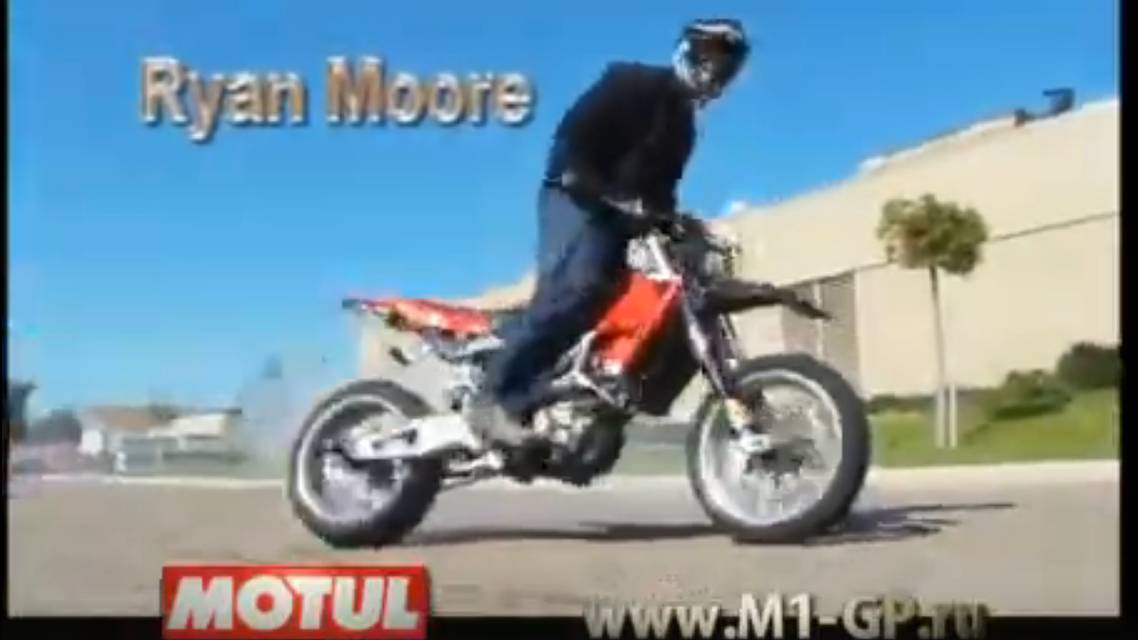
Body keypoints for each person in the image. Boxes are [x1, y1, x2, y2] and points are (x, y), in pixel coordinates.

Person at [469, 18, 751, 447]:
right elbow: (575, 137)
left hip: (620, 218)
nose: (717, 75)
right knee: (579, 285)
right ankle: (496, 399)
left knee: (630, 299)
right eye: (711, 61)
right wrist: (590, 184)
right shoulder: (632, 82)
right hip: (576, 196)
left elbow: (661, 193)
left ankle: (575, 395)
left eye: (726, 69)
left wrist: (680, 223)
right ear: (688, 53)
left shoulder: (684, 129)